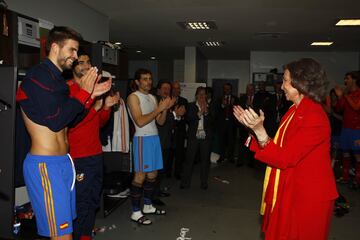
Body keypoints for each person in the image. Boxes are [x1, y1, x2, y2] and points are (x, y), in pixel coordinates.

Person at [16, 26, 111, 239]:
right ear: (55, 47)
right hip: (46, 165)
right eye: (72, 50)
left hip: (63, 163)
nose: (75, 57)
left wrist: (90, 97)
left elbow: (71, 120)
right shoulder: (37, 77)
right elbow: (55, 120)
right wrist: (84, 93)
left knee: (67, 230)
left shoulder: (58, 80)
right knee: (61, 236)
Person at [234, 58, 338, 240]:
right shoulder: (294, 111)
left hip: (308, 196)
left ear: (301, 83)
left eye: (285, 81)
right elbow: (281, 146)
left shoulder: (314, 116)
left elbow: (285, 157)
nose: (281, 86)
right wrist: (253, 130)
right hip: (292, 187)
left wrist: (260, 131)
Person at [67, 52, 119, 240]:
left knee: (93, 199)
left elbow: (97, 123)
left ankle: (86, 233)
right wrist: (94, 105)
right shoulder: (69, 91)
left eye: (89, 62)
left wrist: (105, 108)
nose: (87, 65)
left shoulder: (92, 90)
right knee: (81, 201)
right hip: (78, 157)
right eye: (81, 62)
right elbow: (70, 123)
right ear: (72, 66)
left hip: (95, 154)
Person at [127, 69, 175, 225]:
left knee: (153, 175)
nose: (148, 82)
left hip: (154, 138)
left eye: (150, 79)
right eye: (144, 79)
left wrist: (166, 108)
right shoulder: (133, 97)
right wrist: (159, 109)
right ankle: (135, 211)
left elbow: (160, 122)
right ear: (137, 82)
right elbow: (140, 121)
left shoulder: (153, 97)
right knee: (140, 176)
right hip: (142, 139)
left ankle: (147, 206)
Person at [181, 87, 214, 190]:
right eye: (199, 94)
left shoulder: (210, 106)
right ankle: (185, 183)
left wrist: (207, 113)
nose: (201, 96)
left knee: (205, 161)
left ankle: (204, 182)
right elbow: (188, 119)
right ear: (196, 95)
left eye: (204, 94)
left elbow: (213, 122)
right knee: (189, 160)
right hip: (193, 137)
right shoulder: (190, 106)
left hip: (206, 138)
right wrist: (199, 113)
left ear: (206, 96)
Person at [334, 71, 360, 188]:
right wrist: (340, 96)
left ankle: (357, 179)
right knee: (345, 153)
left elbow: (356, 107)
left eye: (347, 78)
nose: (345, 81)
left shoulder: (358, 93)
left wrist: (344, 95)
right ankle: (345, 177)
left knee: (357, 155)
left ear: (354, 80)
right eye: (345, 79)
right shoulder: (346, 93)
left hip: (356, 129)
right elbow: (339, 109)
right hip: (345, 128)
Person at [216, 83, 239, 163]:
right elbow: (216, 110)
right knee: (221, 141)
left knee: (231, 142)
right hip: (222, 124)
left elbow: (239, 110)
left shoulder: (235, 99)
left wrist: (233, 105)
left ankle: (230, 157)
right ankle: (221, 157)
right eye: (225, 89)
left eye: (228, 89)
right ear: (223, 89)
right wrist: (222, 105)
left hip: (232, 124)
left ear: (231, 89)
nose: (227, 90)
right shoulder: (219, 99)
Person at [170, 81, 188, 179]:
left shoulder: (184, 101)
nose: (177, 90)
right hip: (169, 132)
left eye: (178, 88)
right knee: (169, 154)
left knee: (179, 154)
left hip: (180, 131)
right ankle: (167, 172)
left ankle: (177, 173)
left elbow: (186, 116)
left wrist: (180, 116)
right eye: (175, 88)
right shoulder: (167, 100)